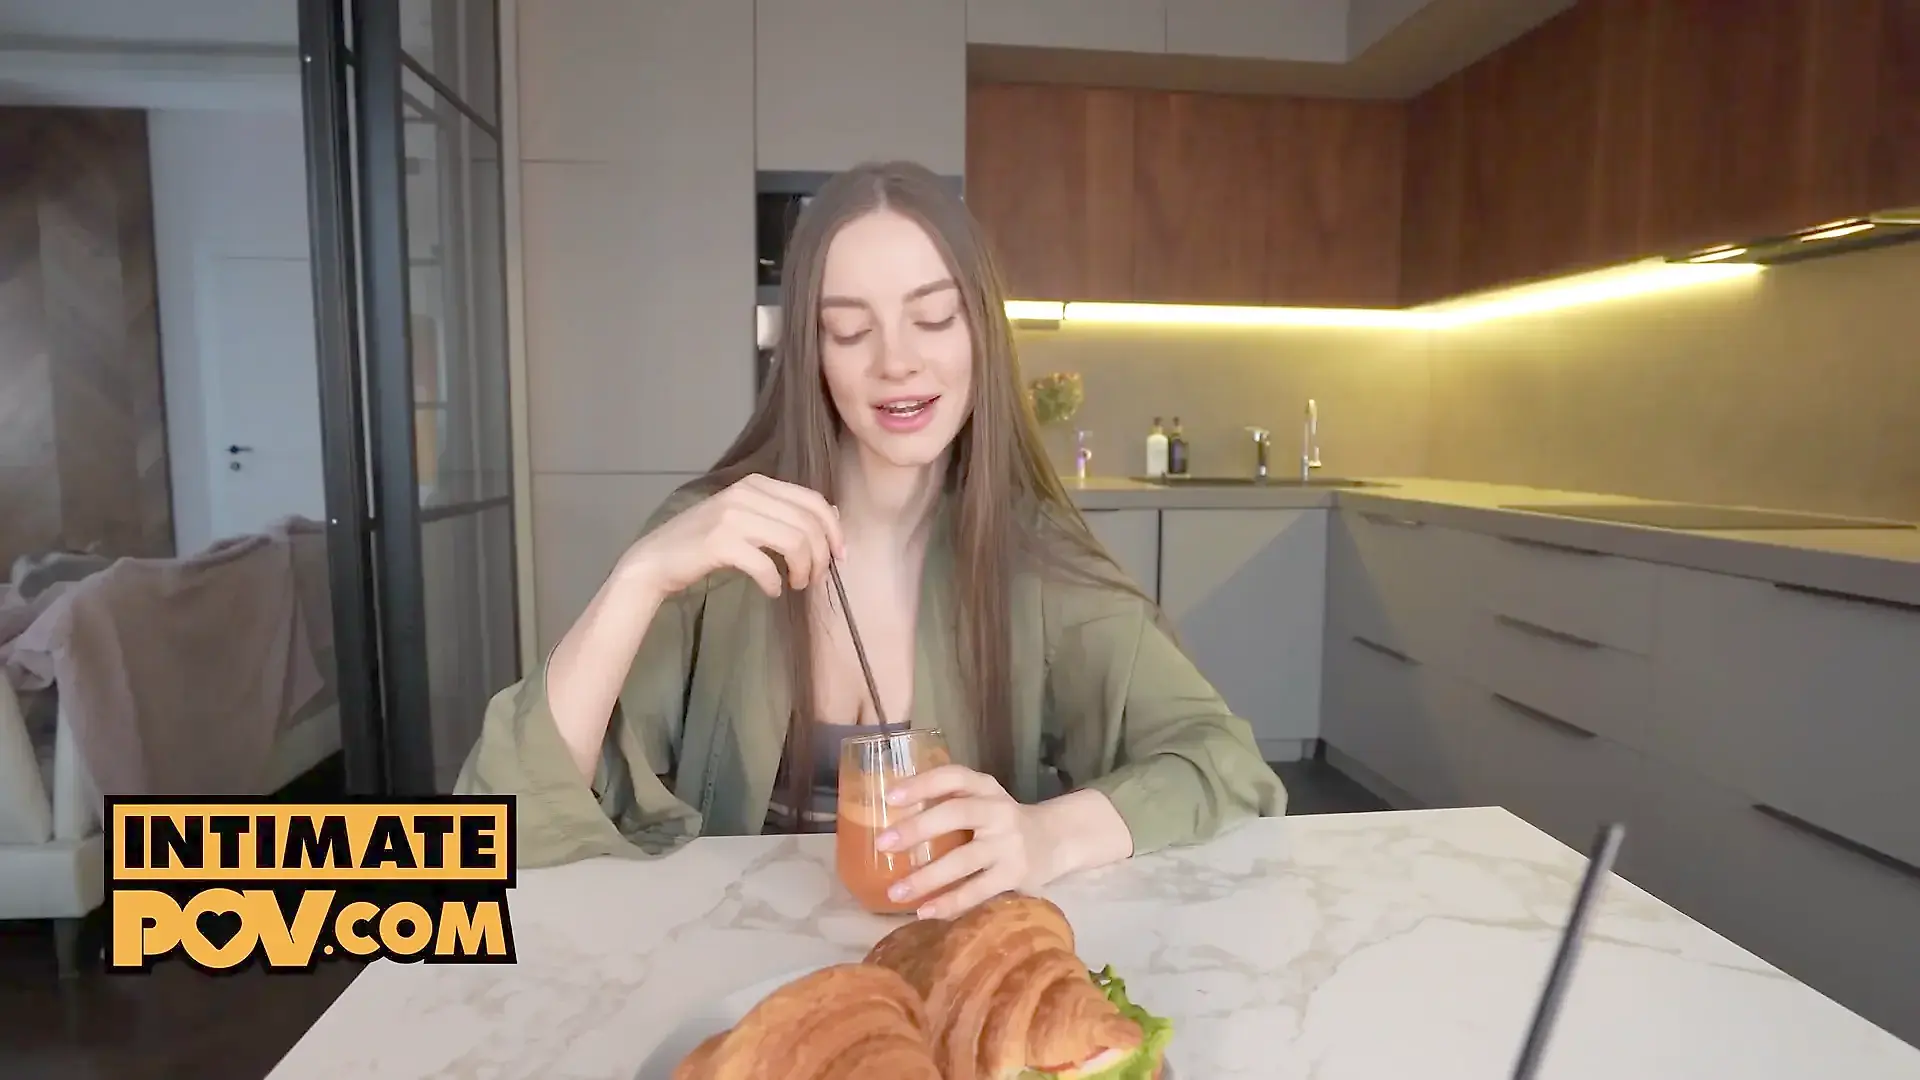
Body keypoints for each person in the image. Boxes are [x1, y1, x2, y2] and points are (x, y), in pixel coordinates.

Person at [455, 160, 1287, 920]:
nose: (897, 362)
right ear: (811, 355)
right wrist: (639, 577)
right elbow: (503, 820)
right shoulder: (721, 543)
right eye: (851, 331)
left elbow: (1222, 760)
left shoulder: (1034, 561)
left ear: (981, 331)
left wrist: (1047, 836)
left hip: (947, 969)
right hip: (733, 970)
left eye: (932, 318)